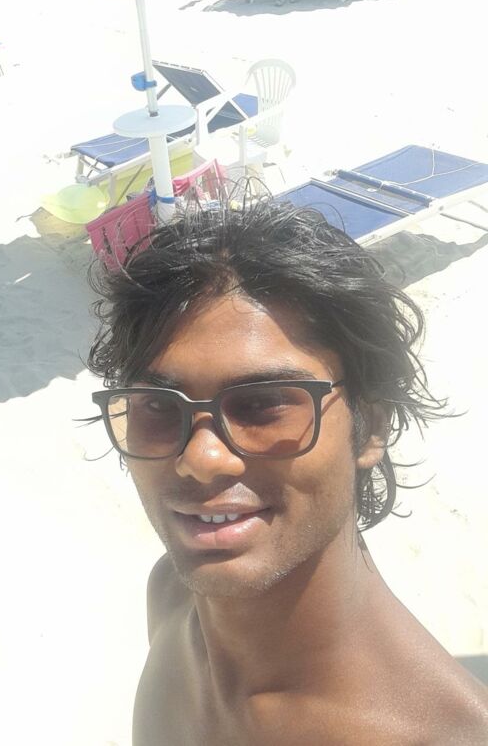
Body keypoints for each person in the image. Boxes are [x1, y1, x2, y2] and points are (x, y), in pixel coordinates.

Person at [88, 198, 488, 745]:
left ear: (370, 427)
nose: (201, 458)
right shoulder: (174, 598)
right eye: (157, 406)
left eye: (263, 404)